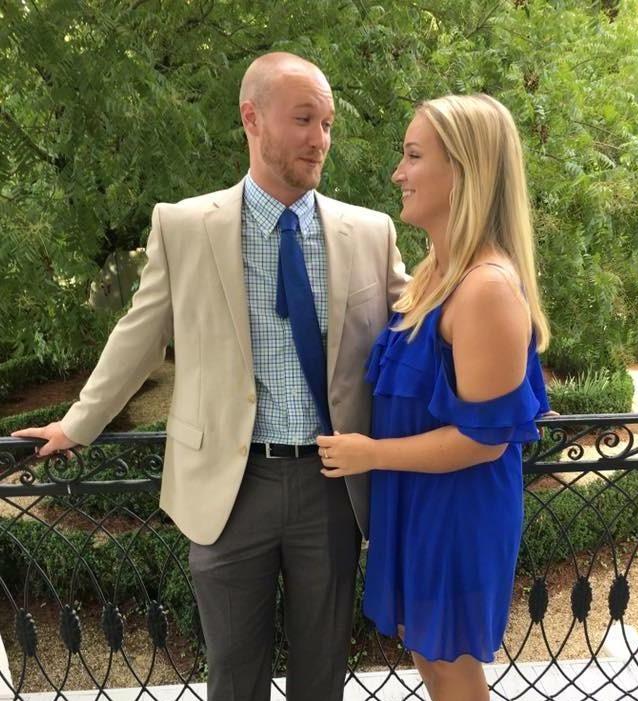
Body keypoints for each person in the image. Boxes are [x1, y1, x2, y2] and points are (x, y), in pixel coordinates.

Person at [12, 52, 408, 701]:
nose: (320, 139)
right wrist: (78, 422)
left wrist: (511, 382)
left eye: (327, 123)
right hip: (228, 487)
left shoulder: (370, 231)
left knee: (322, 678)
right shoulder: (184, 225)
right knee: (233, 677)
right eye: (303, 119)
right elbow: (140, 333)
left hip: (332, 489)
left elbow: (426, 323)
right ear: (252, 118)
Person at [316, 94, 551, 701]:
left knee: (451, 669)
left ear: (465, 172)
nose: (399, 173)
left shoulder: (485, 289)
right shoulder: (433, 275)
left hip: (457, 511)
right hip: (420, 498)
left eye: (414, 156)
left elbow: (482, 441)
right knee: (429, 656)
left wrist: (371, 454)